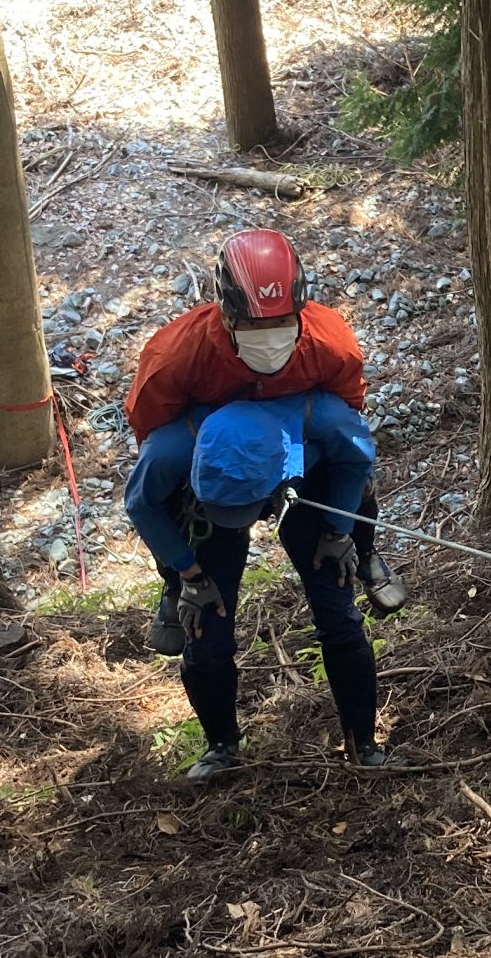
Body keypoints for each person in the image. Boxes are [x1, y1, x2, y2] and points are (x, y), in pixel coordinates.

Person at [125, 229, 405, 654]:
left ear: (299, 310)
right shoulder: (175, 357)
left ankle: (364, 552)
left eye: (281, 322)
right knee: (166, 495)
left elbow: (350, 423)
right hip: (215, 447)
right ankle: (173, 582)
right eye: (255, 325)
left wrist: (338, 527)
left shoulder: (330, 342)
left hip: (299, 434)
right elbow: (152, 442)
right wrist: (188, 568)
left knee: (351, 463)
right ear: (227, 315)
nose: (270, 335)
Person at [122, 393, 388, 780]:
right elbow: (142, 506)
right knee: (205, 627)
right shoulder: (169, 450)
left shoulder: (322, 421)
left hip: (305, 486)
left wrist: (339, 532)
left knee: (338, 612)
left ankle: (362, 744)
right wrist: (189, 573)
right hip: (205, 501)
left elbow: (357, 462)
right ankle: (220, 749)